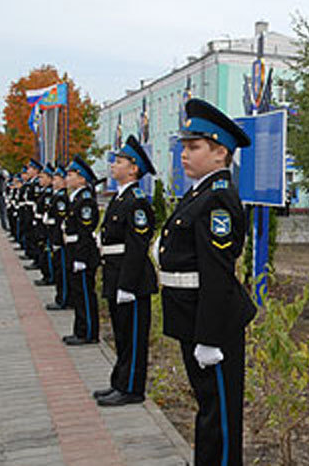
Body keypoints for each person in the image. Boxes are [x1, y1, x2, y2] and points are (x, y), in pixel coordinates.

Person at [158, 98, 256, 466]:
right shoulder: (199, 194)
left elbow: (217, 276)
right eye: (184, 146)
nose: (184, 154)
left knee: (221, 415)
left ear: (220, 154)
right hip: (193, 317)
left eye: (194, 147)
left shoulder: (217, 201)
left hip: (212, 323)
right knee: (208, 409)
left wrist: (209, 338)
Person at [94, 135, 158, 406]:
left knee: (132, 337)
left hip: (131, 279)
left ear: (133, 168)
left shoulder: (137, 201)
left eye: (119, 162)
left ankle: (132, 388)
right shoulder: (121, 198)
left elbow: (137, 245)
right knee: (121, 334)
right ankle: (119, 382)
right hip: (115, 272)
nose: (113, 166)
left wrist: (127, 285)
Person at [61, 155, 100, 346]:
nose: (67, 178)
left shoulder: (85, 201)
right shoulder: (76, 198)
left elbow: (85, 231)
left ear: (82, 179)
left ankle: (89, 332)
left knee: (85, 293)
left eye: (71, 174)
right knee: (78, 293)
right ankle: (80, 329)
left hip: (82, 252)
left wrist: (81, 258)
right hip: (73, 250)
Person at [45, 166, 71, 311]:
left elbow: (60, 221)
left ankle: (63, 299)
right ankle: (61, 297)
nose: (53, 182)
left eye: (56, 179)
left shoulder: (62, 197)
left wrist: (57, 240)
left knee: (62, 272)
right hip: (55, 236)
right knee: (59, 270)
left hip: (60, 239)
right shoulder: (57, 196)